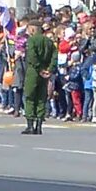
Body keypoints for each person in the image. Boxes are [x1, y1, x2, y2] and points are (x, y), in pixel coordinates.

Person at [19, 8, 58, 137]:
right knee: (41, 98)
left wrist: (40, 69)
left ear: (33, 29)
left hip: (34, 72)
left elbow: (32, 56)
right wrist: (49, 69)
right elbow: (54, 56)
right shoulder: (49, 41)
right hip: (45, 73)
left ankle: (30, 125)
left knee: (30, 97)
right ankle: (39, 125)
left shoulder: (32, 40)